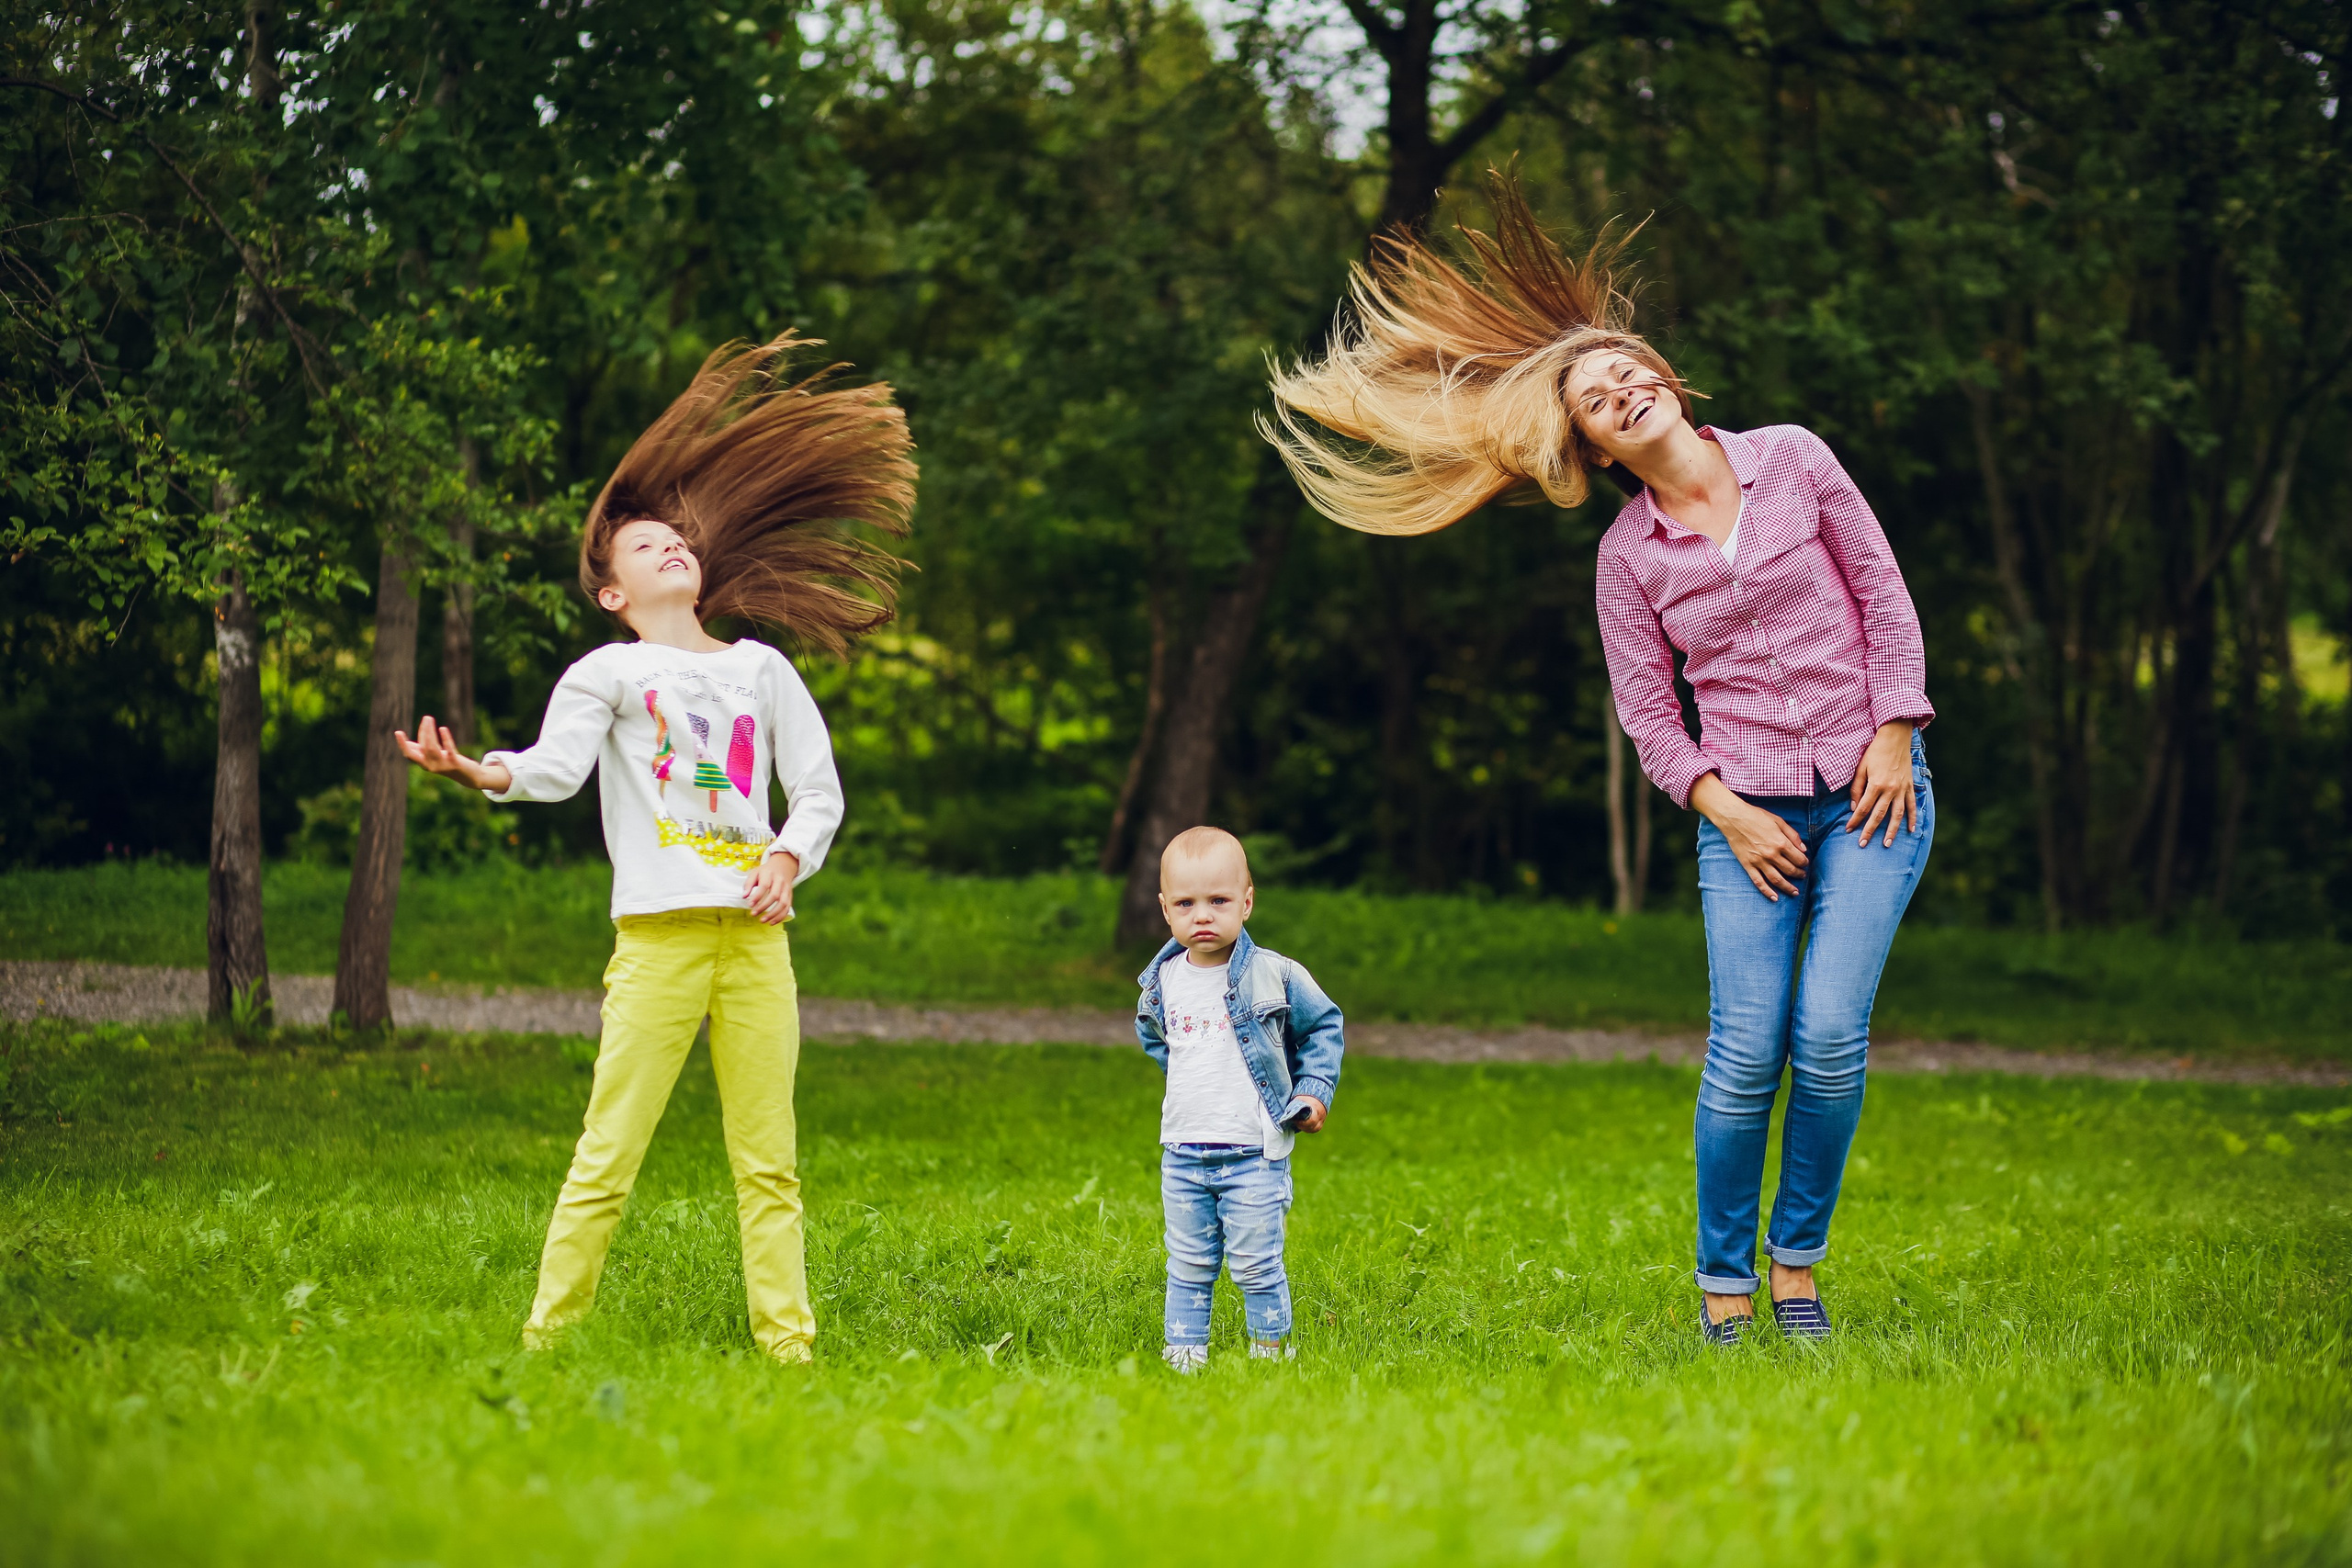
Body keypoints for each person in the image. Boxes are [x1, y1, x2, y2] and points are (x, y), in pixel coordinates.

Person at [1261, 181, 1934, 1348]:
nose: (1619, 392)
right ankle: (1725, 1292)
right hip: (1748, 820)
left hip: (1876, 795)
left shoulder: (1794, 459)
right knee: (1742, 1050)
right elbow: (1650, 719)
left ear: (1664, 374)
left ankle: (1797, 1270)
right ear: (1583, 442)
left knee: (1826, 1038)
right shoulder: (1629, 559)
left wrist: (1894, 731)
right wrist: (1727, 812)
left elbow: (1882, 595)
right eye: (1592, 398)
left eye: (1626, 371)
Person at [395, 334, 916, 1364]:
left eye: (677, 541)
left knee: (769, 1165)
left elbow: (817, 791)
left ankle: (789, 1348)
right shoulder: (608, 675)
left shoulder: (761, 669)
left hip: (755, 949)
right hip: (660, 943)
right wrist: (478, 771)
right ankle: (548, 1337)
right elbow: (551, 768)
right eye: (644, 548)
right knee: (610, 1151)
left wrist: (784, 860)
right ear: (612, 595)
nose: (670, 547)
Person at [1136, 828, 1346, 1371]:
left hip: (1254, 1151)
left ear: (1246, 902)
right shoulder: (1162, 980)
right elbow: (1160, 1041)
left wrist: (1311, 1091)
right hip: (1183, 1151)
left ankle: (1269, 1355)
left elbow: (1323, 1026)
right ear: (1165, 910)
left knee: (1256, 1263)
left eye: (1219, 901)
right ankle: (1184, 1357)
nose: (1202, 915)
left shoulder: (1274, 974)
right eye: (1185, 903)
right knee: (1188, 1262)